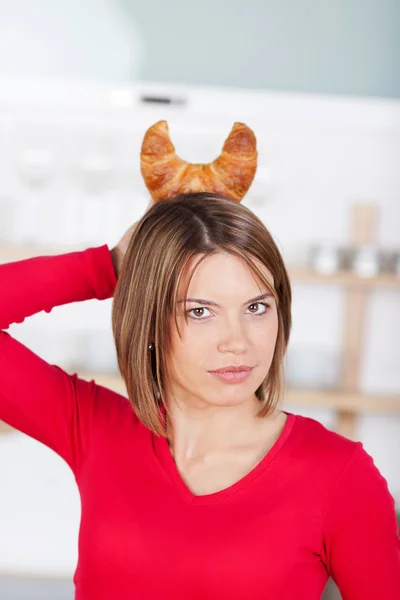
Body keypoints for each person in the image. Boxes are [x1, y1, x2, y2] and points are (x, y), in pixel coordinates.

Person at [1, 192, 399, 600]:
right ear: (149, 321)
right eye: (199, 311)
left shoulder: (341, 475)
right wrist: (109, 266)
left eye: (257, 307)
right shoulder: (94, 429)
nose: (237, 342)